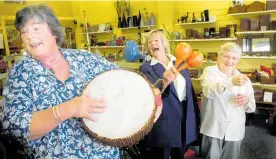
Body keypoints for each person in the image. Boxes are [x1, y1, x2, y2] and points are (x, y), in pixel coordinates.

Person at [0, 4, 162, 159]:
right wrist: (67, 109)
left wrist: (153, 94)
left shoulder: (84, 58)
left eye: (36, 28)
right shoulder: (21, 73)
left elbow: (124, 80)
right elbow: (14, 129)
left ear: (53, 32)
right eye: (24, 31)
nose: (30, 36)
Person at [138, 30, 200, 159]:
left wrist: (195, 116)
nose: (152, 44)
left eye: (156, 41)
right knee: (161, 155)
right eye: (149, 42)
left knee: (179, 154)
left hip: (185, 117)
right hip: (164, 120)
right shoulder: (146, 68)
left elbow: (189, 91)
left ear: (164, 43)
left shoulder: (180, 62)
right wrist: (164, 81)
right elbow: (149, 93)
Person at [200, 42, 256, 159]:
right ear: (219, 56)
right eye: (226, 56)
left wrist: (246, 101)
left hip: (235, 130)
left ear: (238, 60)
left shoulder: (244, 79)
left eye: (234, 58)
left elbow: (252, 107)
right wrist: (230, 82)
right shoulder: (209, 72)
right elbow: (207, 91)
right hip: (212, 128)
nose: (230, 61)